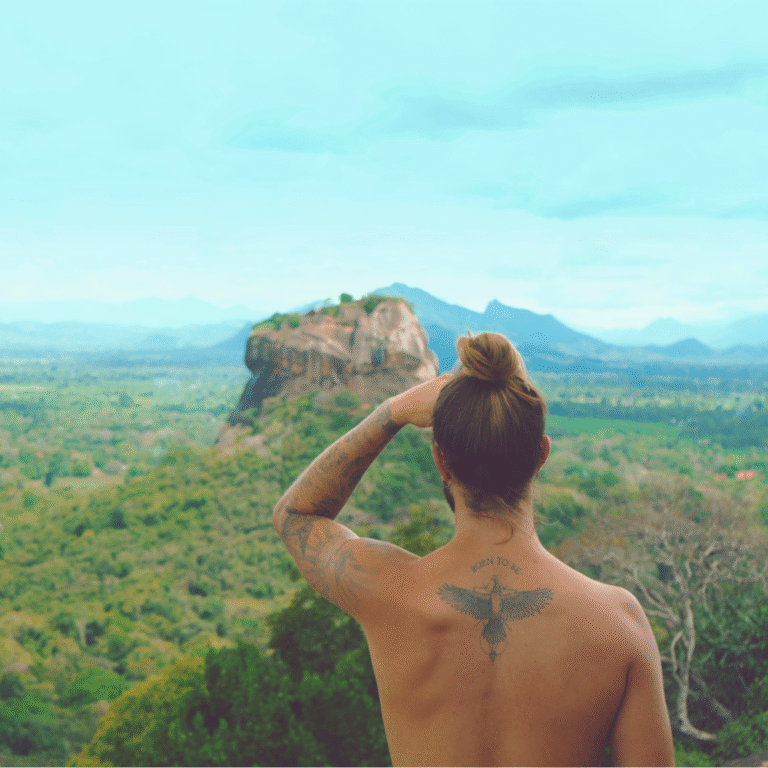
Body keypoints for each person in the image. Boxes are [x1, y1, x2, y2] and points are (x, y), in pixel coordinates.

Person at [273, 331, 675, 767]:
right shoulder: (618, 623)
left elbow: (297, 516)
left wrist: (390, 413)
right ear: (540, 455)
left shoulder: (390, 592)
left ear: (440, 461)